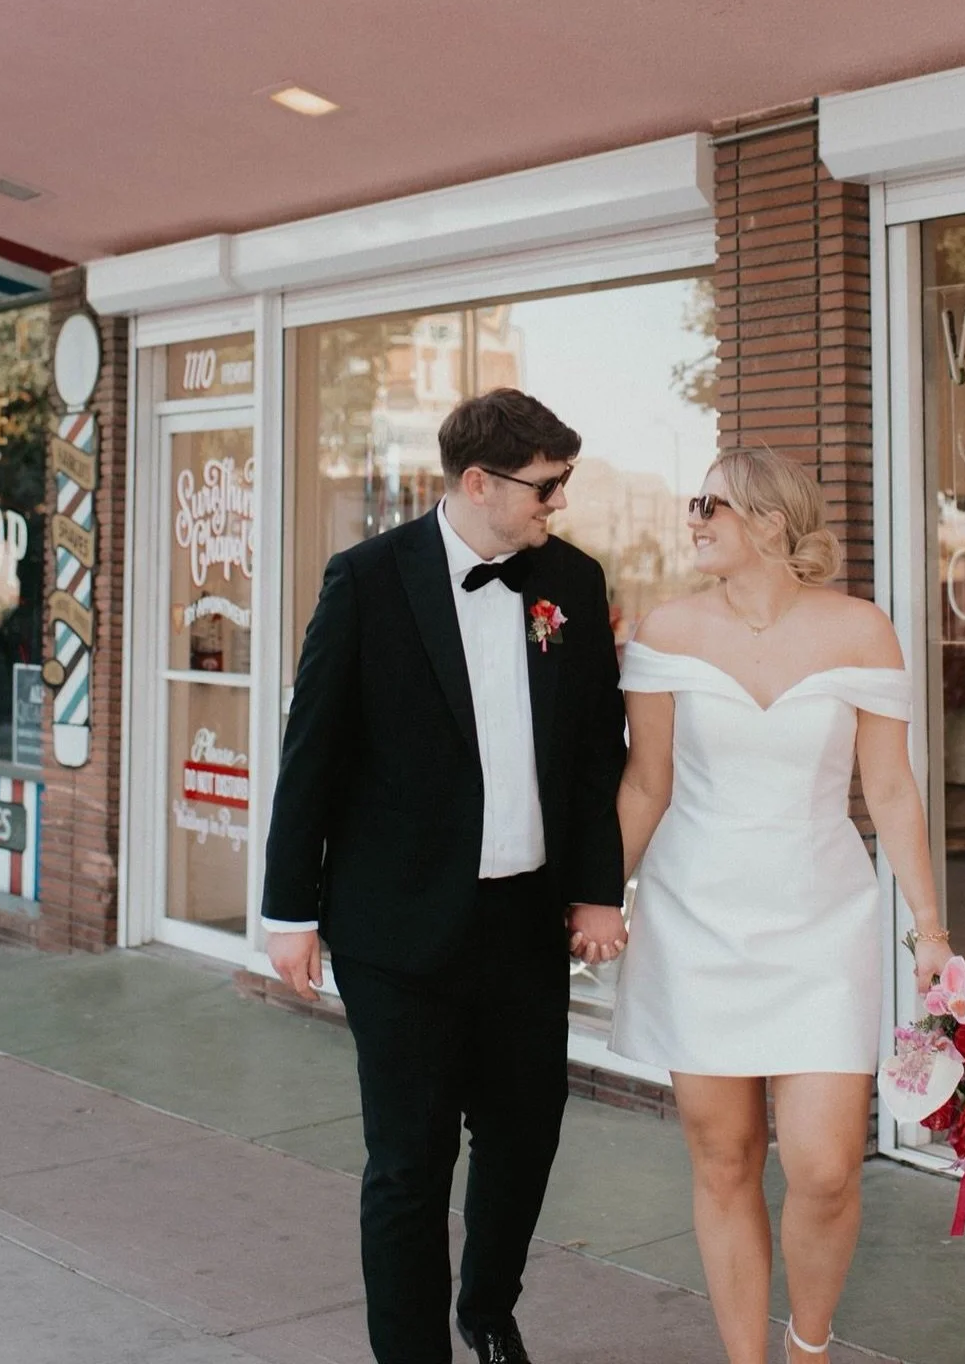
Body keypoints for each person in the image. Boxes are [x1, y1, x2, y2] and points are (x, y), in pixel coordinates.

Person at [261, 390, 628, 1364]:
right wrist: (288, 910)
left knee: (525, 1135)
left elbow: (598, 751)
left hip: (524, 922)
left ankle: (489, 1307)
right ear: (479, 482)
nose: (558, 503)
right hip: (397, 926)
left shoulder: (572, 585)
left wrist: (600, 888)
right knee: (411, 1162)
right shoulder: (369, 580)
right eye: (547, 487)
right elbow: (315, 756)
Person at [568, 447, 949, 1364]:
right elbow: (645, 785)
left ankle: (809, 1347)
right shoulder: (666, 630)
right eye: (695, 501)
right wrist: (599, 897)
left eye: (713, 505)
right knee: (725, 1157)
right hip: (694, 917)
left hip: (823, 918)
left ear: (773, 521)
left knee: (823, 1166)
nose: (693, 517)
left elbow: (891, 789)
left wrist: (929, 930)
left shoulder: (861, 630)